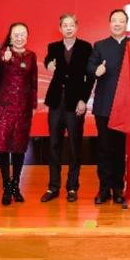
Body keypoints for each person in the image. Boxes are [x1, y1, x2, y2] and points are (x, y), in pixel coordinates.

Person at [41, 13, 92, 203]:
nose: (68, 28)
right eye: (65, 25)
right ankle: (53, 187)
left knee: (74, 146)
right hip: (56, 102)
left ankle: (72, 187)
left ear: (76, 27)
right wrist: (48, 64)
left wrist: (83, 100)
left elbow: (90, 77)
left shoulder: (86, 47)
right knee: (53, 145)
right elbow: (48, 59)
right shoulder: (53, 47)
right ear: (60, 28)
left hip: (75, 103)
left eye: (72, 25)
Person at [87, 9, 130, 205]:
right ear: (109, 23)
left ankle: (118, 188)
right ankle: (104, 188)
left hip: (124, 105)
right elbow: (89, 67)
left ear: (126, 24)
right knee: (104, 148)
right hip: (104, 104)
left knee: (119, 148)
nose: (117, 24)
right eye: (114, 20)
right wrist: (96, 70)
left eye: (121, 21)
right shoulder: (100, 45)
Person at [0, 22, 38, 206]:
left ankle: (15, 186)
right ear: (10, 37)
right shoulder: (2, 53)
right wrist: (5, 59)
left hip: (24, 108)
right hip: (4, 107)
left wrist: (33, 104)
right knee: (3, 147)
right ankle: (6, 187)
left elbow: (33, 81)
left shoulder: (31, 55)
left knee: (19, 148)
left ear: (27, 37)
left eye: (22, 34)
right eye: (16, 35)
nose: (19, 37)